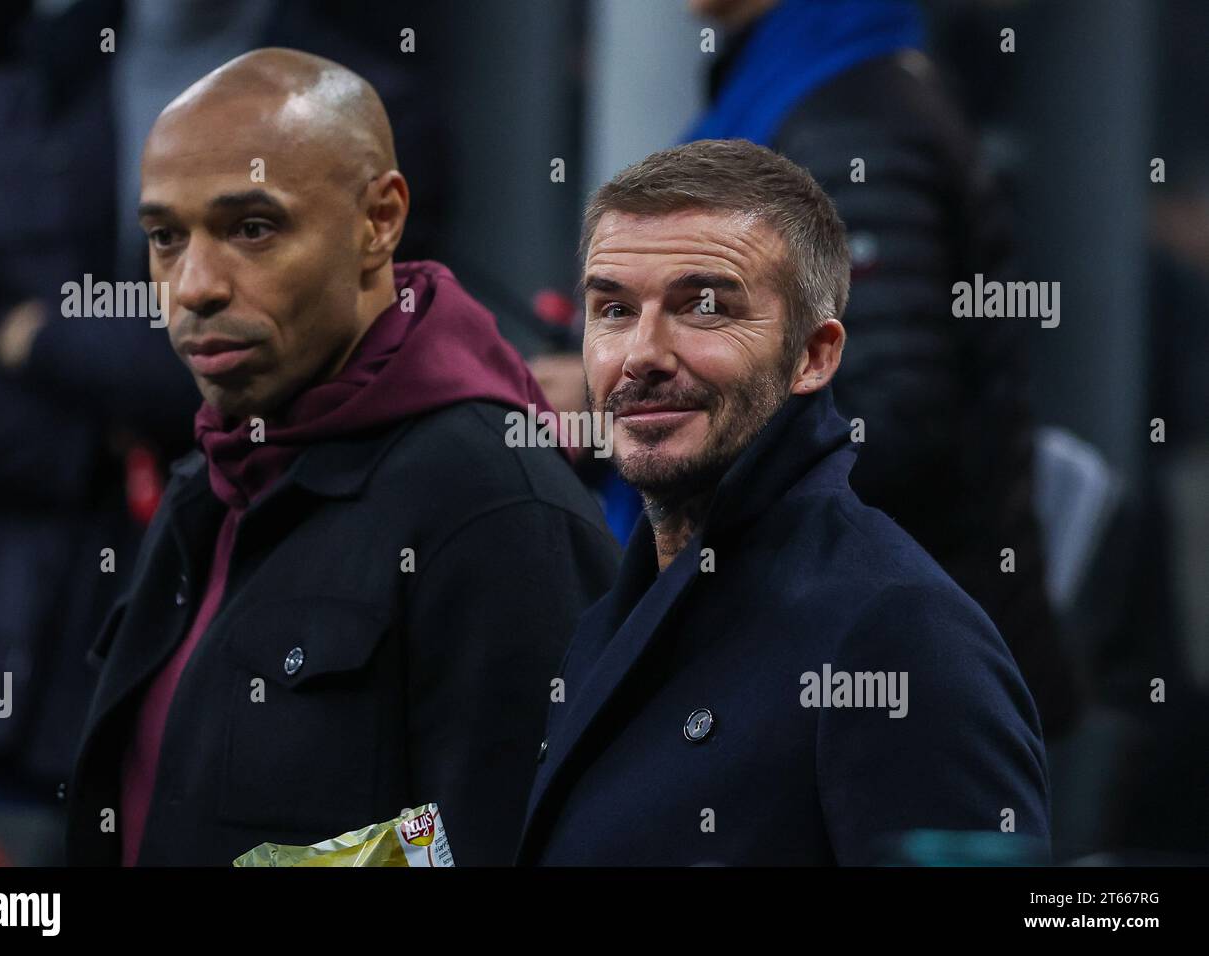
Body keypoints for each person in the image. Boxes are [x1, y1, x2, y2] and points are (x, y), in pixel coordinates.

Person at [65, 49, 619, 867]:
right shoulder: (209, 485)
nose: (194, 286)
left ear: (379, 221)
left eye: (252, 227)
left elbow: (507, 846)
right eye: (165, 238)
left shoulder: (497, 509)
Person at [516, 140, 1050, 866]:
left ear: (814, 356)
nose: (640, 353)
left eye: (703, 307)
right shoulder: (611, 617)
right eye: (612, 309)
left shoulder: (898, 630)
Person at [682, 0, 1081, 738]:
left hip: (892, 674)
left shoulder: (851, 116)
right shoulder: (823, 86)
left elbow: (890, 424)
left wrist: (662, 406)